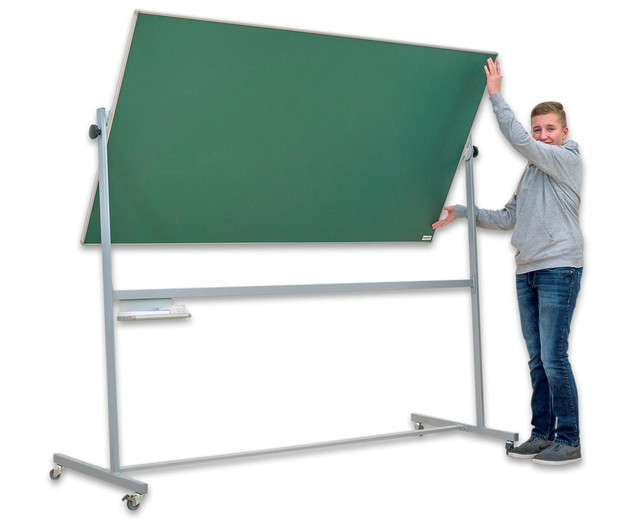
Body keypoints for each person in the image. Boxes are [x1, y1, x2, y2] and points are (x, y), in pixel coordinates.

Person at [432, 58, 583, 465]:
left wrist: (496, 96)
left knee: (554, 358)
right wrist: (460, 212)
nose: (542, 135)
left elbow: (520, 141)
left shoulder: (567, 159)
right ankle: (542, 434)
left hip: (558, 268)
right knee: (537, 360)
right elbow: (505, 218)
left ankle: (568, 439)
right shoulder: (531, 173)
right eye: (538, 130)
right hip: (527, 270)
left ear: (564, 133)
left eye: (549, 129)